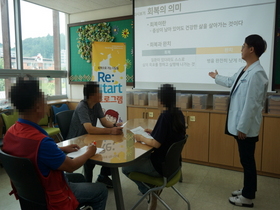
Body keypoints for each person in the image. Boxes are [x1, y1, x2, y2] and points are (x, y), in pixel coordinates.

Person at [2, 79, 108, 210]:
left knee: (80, 178)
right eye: (44, 99)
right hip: (52, 195)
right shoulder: (42, 142)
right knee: (101, 190)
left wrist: (61, 148)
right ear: (38, 106)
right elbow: (71, 166)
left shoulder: (10, 133)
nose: (46, 103)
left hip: (31, 196)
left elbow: (33, 152)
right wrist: (89, 152)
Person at [208, 34, 268, 208]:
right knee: (246, 159)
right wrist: (216, 77)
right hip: (242, 124)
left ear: (251, 49)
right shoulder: (246, 69)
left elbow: (252, 105)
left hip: (246, 127)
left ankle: (247, 197)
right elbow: (231, 82)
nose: (240, 49)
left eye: (243, 46)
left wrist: (243, 127)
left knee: (247, 160)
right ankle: (247, 189)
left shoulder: (256, 73)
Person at [122, 84, 186, 210]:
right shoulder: (178, 113)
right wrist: (154, 132)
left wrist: (140, 138)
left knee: (125, 168)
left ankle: (149, 192)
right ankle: (151, 191)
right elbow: (169, 135)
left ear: (161, 100)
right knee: (139, 159)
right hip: (174, 166)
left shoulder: (165, 116)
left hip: (160, 167)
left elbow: (156, 144)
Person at [67, 81, 123, 187]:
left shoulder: (96, 104)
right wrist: (111, 131)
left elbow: (104, 122)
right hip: (77, 140)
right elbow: (90, 129)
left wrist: (115, 125)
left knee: (111, 148)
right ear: (91, 95)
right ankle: (88, 184)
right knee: (90, 158)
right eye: (99, 92)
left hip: (89, 138)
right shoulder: (82, 107)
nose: (101, 94)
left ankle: (103, 176)